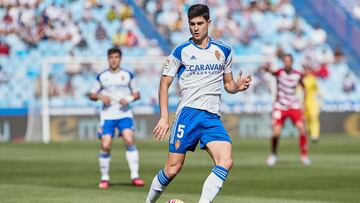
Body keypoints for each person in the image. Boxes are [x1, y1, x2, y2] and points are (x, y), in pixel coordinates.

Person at [145, 4, 252, 203]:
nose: (195, 28)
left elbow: (227, 84)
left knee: (226, 160)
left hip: (212, 117)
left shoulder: (224, 50)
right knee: (172, 169)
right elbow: (164, 84)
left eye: (200, 23)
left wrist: (237, 86)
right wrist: (163, 117)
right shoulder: (180, 52)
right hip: (188, 115)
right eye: (192, 24)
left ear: (208, 22)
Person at [88, 47, 145, 189]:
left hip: (124, 114)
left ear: (120, 58)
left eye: (116, 57)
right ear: (108, 59)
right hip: (107, 116)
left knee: (129, 139)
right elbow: (92, 94)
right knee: (106, 145)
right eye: (111, 57)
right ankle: (105, 178)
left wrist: (128, 99)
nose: (114, 60)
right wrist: (101, 96)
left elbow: (137, 94)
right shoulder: (102, 76)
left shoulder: (128, 75)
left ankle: (135, 176)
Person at [263, 54, 311, 166]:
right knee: (276, 133)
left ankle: (304, 156)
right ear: (283, 62)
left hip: (294, 106)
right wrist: (266, 68)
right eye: (285, 61)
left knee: (302, 129)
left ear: (292, 62)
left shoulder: (298, 75)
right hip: (280, 106)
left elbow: (305, 87)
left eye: (288, 61)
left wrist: (303, 103)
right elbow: (271, 71)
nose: (287, 63)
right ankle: (273, 154)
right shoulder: (280, 72)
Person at [303, 65, 321, 143]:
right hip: (303, 102)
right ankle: (308, 134)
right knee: (306, 120)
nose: (307, 71)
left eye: (308, 70)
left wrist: (320, 99)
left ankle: (315, 135)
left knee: (314, 118)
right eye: (305, 70)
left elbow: (317, 90)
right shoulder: (301, 79)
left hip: (312, 102)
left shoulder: (313, 79)